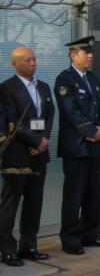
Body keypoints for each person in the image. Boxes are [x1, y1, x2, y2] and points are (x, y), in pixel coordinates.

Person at [54, 36, 100, 255]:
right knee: (74, 195)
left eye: (90, 53)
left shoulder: (94, 79)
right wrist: (90, 131)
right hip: (76, 148)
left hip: (94, 146)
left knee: (93, 193)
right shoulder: (64, 79)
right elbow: (69, 110)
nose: (90, 56)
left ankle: (90, 234)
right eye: (84, 53)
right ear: (73, 55)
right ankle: (70, 238)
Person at [0, 47, 55, 267]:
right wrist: (35, 140)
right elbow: (13, 120)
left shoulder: (42, 86)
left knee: (34, 202)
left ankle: (29, 246)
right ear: (15, 64)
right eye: (27, 60)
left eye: (34, 59)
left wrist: (43, 140)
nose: (33, 62)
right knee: (10, 203)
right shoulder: (6, 88)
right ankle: (7, 248)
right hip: (17, 155)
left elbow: (48, 115)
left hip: (38, 154)